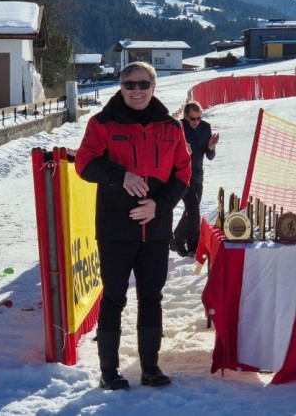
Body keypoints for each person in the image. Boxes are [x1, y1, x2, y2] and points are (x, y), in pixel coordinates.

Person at [75, 61, 191, 391]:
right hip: (115, 230)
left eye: (143, 84)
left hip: (155, 230)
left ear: (154, 87)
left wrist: (160, 204)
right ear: (120, 86)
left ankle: (150, 368)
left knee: (151, 297)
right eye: (129, 85)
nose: (136, 91)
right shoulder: (102, 124)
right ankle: (109, 372)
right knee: (113, 298)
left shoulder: (171, 127)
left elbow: (183, 173)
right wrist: (119, 175)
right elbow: (84, 163)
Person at [170, 101, 219, 257]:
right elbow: (169, 154)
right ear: (185, 116)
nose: (196, 122)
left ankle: (176, 240)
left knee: (192, 210)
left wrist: (211, 147)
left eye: (199, 118)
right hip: (180, 175)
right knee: (193, 209)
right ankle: (192, 246)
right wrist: (184, 153)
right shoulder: (178, 127)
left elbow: (209, 155)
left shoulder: (205, 127)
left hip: (197, 175)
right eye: (193, 119)